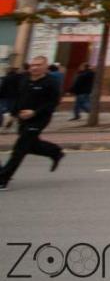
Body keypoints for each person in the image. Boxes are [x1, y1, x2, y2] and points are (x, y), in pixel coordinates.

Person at [0, 56, 65, 190]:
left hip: (39, 119)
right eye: (32, 65)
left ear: (45, 67)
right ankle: (55, 152)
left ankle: (3, 179)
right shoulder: (24, 79)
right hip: (23, 118)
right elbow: (19, 98)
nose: (34, 67)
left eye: (38, 65)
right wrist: (13, 115)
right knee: (30, 145)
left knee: (19, 149)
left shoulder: (51, 82)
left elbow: (53, 102)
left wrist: (34, 112)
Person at [0, 66, 20, 132]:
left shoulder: (6, 78)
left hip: (5, 97)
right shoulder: (19, 78)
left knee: (1, 111)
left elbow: (2, 87)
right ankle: (11, 124)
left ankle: (1, 124)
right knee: (13, 111)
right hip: (15, 97)